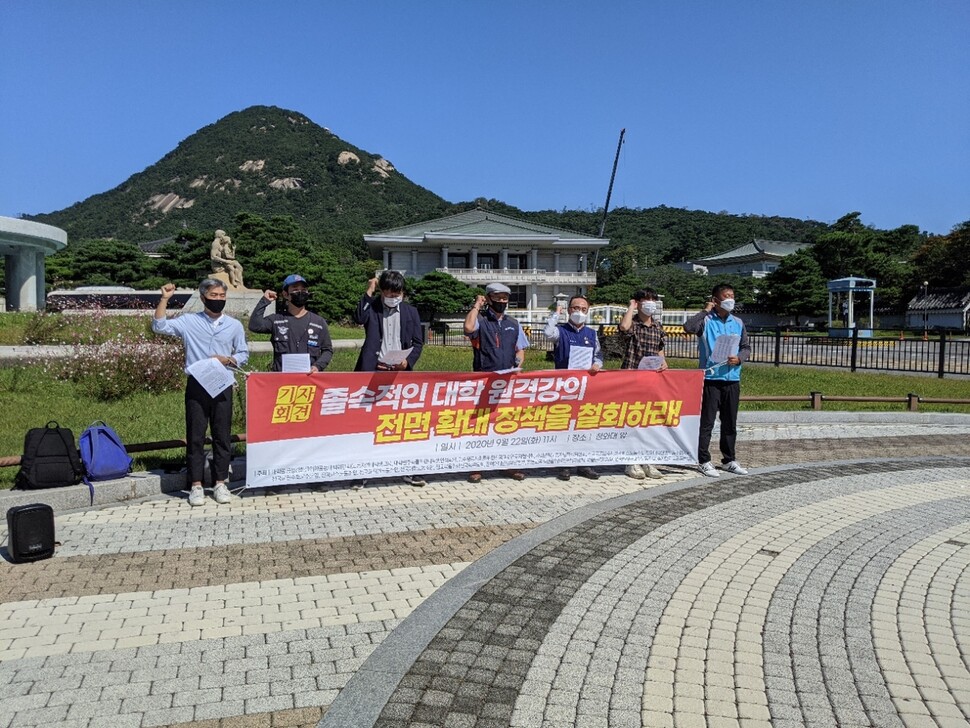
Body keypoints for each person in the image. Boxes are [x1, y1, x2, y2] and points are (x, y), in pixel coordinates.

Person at [153, 279, 249, 506]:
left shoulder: (234, 325)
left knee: (222, 435)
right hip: (197, 383)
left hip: (223, 382)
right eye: (213, 295)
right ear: (203, 297)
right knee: (196, 435)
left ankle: (220, 482)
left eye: (221, 296)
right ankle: (195, 484)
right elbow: (159, 326)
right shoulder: (189, 321)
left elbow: (244, 352)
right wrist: (164, 299)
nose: (218, 300)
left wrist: (229, 359)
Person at [353, 270, 427, 487]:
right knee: (369, 423)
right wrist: (369, 291)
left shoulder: (411, 312)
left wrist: (408, 361)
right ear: (382, 291)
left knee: (401, 422)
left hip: (399, 374)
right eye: (388, 292)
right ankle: (363, 471)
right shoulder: (374, 307)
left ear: (402, 292)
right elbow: (358, 317)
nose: (393, 296)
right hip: (373, 372)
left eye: (397, 292)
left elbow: (418, 342)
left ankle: (407, 469)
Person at [683, 283, 752, 477]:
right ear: (715, 300)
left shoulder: (737, 322)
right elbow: (688, 327)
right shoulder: (706, 321)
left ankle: (729, 459)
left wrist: (739, 358)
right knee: (707, 423)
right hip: (710, 378)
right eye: (726, 296)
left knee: (730, 422)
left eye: (732, 295)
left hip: (732, 378)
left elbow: (746, 347)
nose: (731, 299)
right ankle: (703, 460)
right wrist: (705, 310)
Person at [463, 282, 529, 483]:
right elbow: (467, 328)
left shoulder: (513, 323)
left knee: (505, 423)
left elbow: (520, 349)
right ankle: (476, 466)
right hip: (484, 381)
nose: (502, 302)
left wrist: (519, 362)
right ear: (489, 299)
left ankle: (507, 464)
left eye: (505, 298)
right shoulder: (481, 321)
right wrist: (476, 305)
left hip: (507, 382)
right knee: (481, 424)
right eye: (497, 298)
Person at [544, 295, 602, 481]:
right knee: (564, 426)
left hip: (586, 388)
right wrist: (556, 315)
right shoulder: (561, 332)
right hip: (564, 389)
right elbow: (547, 333)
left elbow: (599, 356)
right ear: (569, 310)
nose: (580, 312)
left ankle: (584, 464)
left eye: (584, 309)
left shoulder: (592, 334)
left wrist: (597, 364)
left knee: (584, 426)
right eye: (576, 308)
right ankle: (564, 465)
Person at [618, 288, 669, 480]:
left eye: (653, 300)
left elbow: (660, 350)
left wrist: (663, 362)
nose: (651, 304)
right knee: (632, 420)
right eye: (646, 300)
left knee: (648, 421)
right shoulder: (634, 325)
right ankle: (631, 461)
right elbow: (624, 328)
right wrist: (630, 308)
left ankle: (647, 458)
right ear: (638, 303)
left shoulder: (658, 327)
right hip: (631, 378)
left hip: (651, 379)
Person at [248, 274, 333, 372]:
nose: (300, 292)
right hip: (282, 381)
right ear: (285, 294)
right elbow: (254, 325)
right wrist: (264, 301)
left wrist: (318, 366)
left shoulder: (319, 322)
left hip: (310, 381)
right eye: (295, 289)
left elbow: (327, 350)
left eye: (304, 289)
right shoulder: (276, 320)